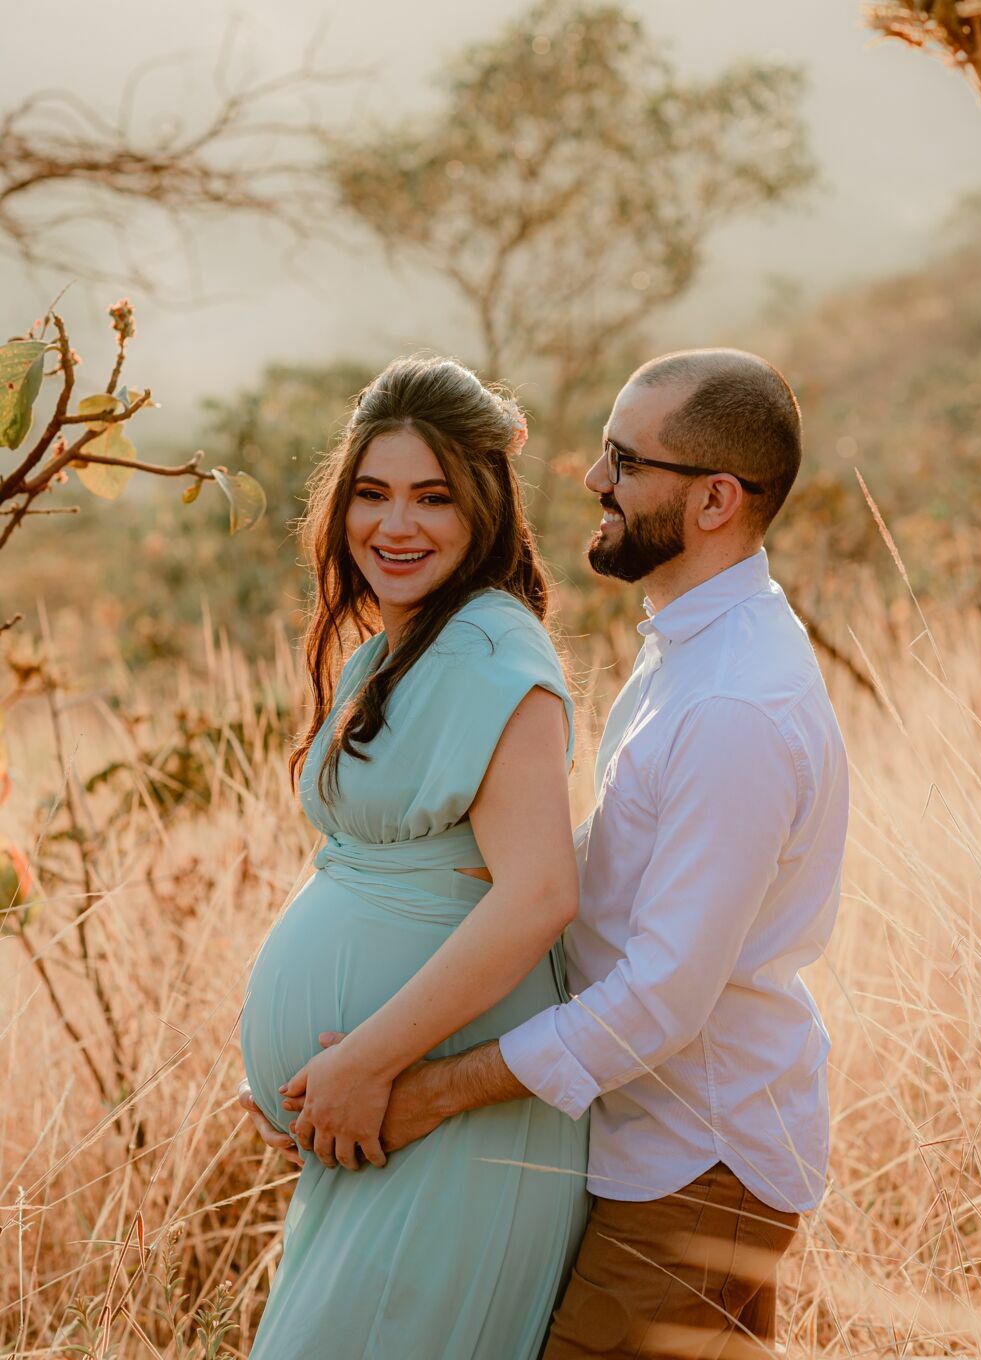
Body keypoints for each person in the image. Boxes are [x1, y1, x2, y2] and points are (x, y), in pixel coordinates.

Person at [244, 346, 850, 1360]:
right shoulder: (690, 654)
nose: (591, 478)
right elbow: (602, 872)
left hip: (689, 1162)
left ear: (713, 501)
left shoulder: (732, 707)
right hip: (647, 1147)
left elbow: (662, 995)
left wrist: (419, 1084)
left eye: (624, 458)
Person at [237, 355, 589, 1360]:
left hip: (453, 1127)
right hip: (373, 1115)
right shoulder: (393, 649)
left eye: (432, 497)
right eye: (372, 494)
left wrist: (357, 1059)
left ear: (483, 508)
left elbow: (537, 896)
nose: (396, 526)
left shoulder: (491, 651)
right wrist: (305, 1082)